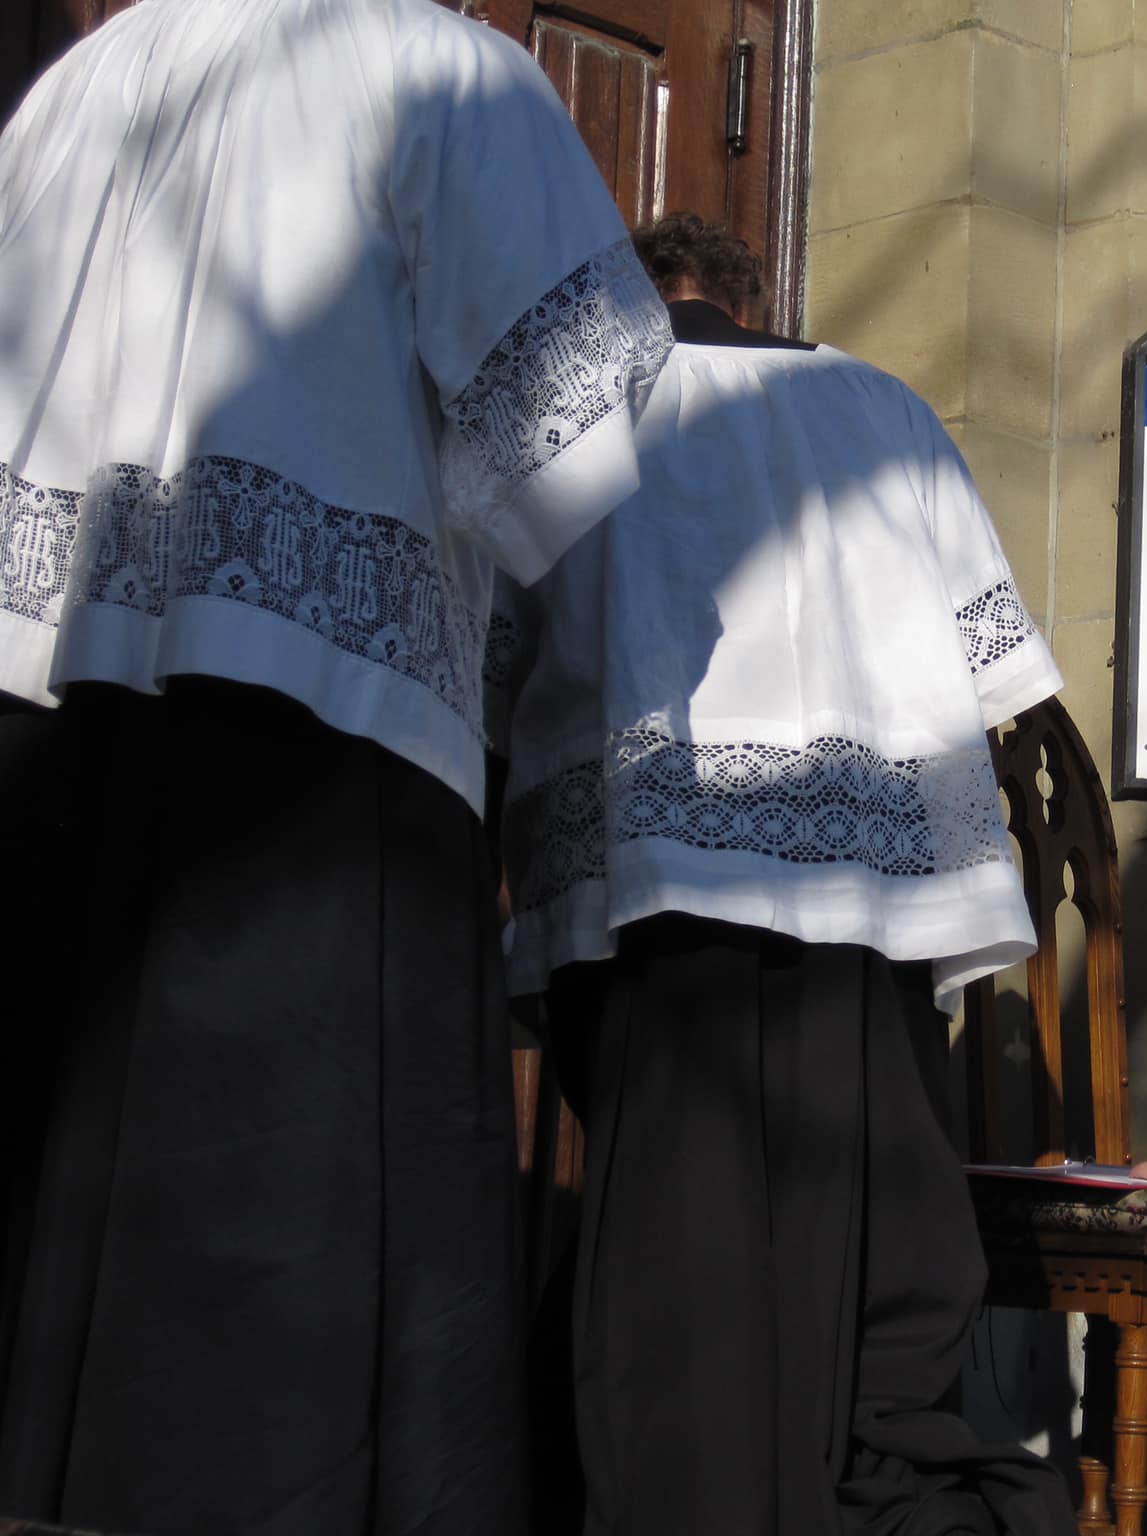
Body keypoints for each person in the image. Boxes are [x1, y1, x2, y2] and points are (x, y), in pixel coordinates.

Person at [0, 3, 672, 1533]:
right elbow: (572, 442)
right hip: (308, 770)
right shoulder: (433, 68)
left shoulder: (73, 87)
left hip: (44, 738)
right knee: (274, 1350)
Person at [493, 214, 1073, 1534]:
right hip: (860, 916)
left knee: (680, 1290)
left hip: (656, 911)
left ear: (636, 299)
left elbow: (488, 665)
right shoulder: (880, 405)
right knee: (875, 1281)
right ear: (754, 297)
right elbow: (1003, 678)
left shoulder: (572, 412)